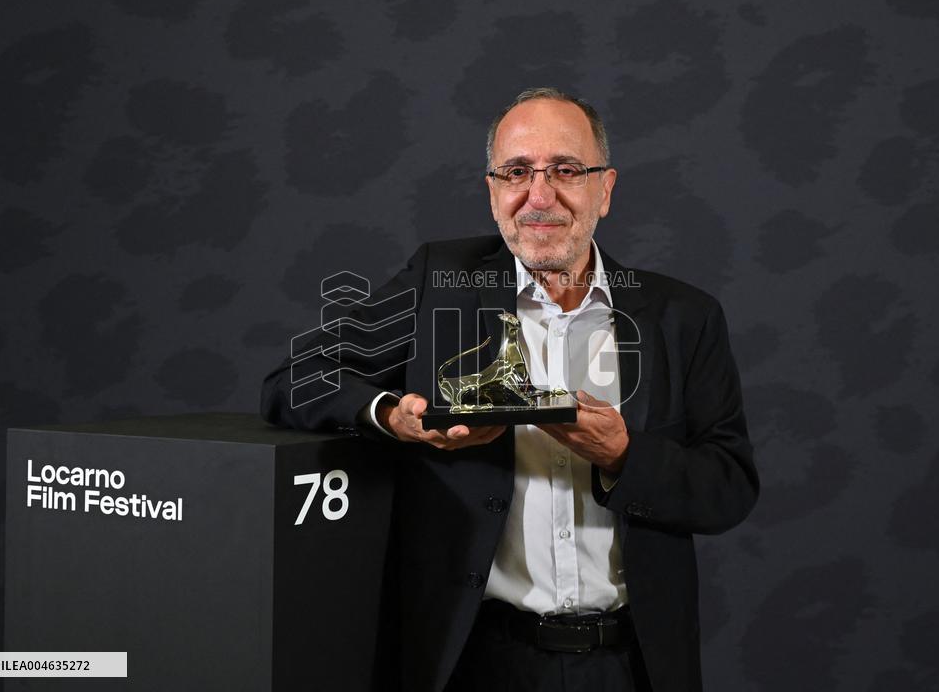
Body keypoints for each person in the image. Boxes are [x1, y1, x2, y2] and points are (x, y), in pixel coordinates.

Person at [261, 87, 759, 692]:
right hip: (472, 661)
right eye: (517, 172)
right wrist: (393, 416)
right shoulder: (436, 284)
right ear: (492, 191)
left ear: (605, 189)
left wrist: (625, 456)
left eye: (566, 170)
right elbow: (296, 378)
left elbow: (729, 488)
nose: (539, 196)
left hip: (633, 667)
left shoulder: (685, 316)